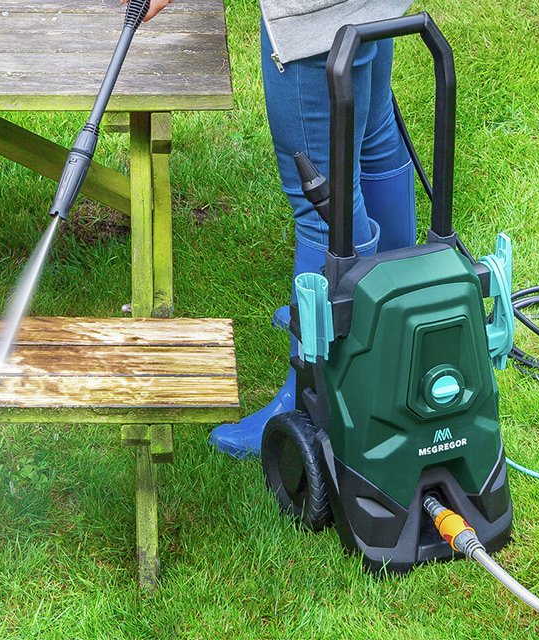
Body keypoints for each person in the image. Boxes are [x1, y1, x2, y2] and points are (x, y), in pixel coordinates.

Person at [140, 0, 417, 457]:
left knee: (323, 198)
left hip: (312, 16)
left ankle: (311, 401)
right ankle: (398, 317)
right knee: (372, 137)